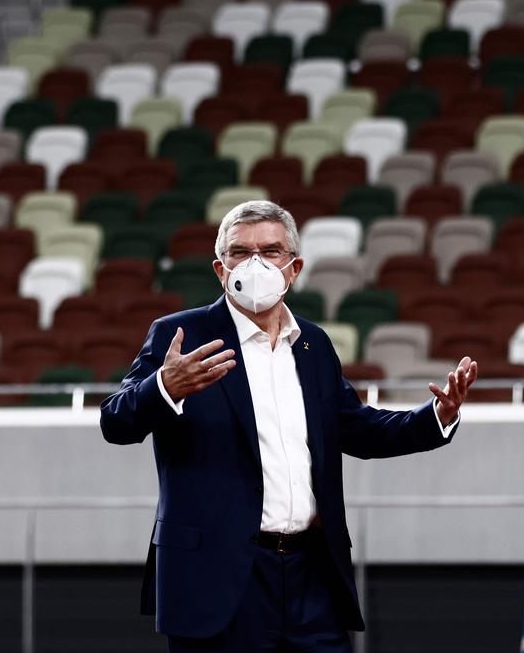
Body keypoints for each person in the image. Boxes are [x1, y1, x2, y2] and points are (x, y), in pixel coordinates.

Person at [101, 201, 478, 652]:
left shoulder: (313, 345)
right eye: (241, 252)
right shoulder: (180, 335)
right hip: (218, 578)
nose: (256, 263)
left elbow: (357, 428)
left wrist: (438, 416)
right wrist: (165, 386)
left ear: (294, 267)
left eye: (272, 251)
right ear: (221, 270)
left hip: (312, 575)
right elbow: (115, 420)